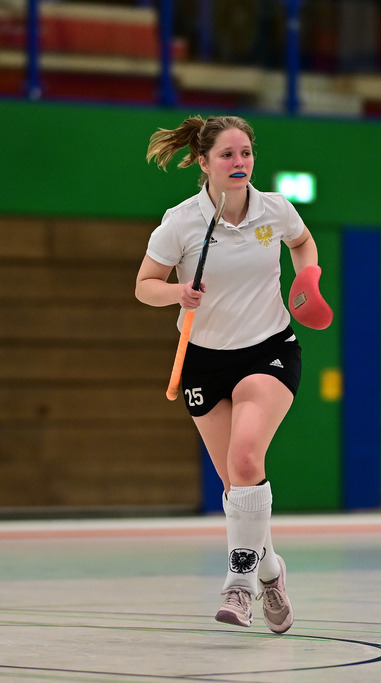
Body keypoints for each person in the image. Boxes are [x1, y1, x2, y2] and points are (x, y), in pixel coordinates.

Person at [135, 115, 322, 634]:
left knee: (246, 457)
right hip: (203, 359)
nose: (239, 163)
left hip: (268, 351)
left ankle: (238, 586)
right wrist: (178, 292)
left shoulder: (275, 209)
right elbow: (144, 285)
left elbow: (302, 243)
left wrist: (306, 281)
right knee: (237, 486)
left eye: (245, 153)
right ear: (203, 162)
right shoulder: (180, 222)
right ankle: (270, 570)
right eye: (227, 155)